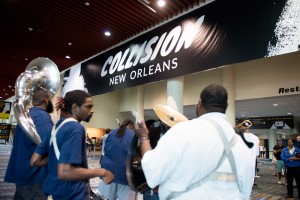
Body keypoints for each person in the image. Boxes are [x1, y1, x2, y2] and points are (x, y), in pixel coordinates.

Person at [134, 84, 255, 199]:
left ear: (199, 104)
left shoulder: (181, 131)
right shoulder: (242, 142)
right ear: (227, 105)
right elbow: (245, 190)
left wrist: (144, 137)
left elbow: (153, 171)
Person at [30, 90, 114, 200]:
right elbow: (65, 171)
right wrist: (102, 172)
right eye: (88, 107)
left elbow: (35, 161)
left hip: (58, 192)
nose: (92, 111)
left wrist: (58, 158)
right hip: (73, 193)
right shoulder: (76, 128)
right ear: (74, 107)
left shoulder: (56, 127)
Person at [4, 89, 54, 200]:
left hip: (22, 171)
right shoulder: (42, 117)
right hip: (34, 176)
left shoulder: (26, 116)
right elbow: (51, 145)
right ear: (46, 100)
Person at [99, 119, 137, 200]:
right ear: (132, 126)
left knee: (105, 198)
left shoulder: (112, 133)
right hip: (125, 175)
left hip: (107, 172)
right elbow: (136, 154)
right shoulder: (133, 134)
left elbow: (105, 150)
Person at [235, 118, 260, 186]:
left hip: (237, 172)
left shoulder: (235, 137)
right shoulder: (256, 138)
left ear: (239, 125)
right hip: (250, 173)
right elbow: (256, 154)